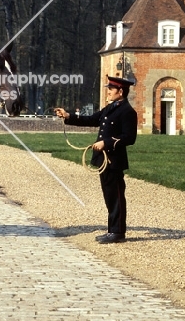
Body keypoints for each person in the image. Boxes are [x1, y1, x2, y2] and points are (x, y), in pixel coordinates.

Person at [55, 76, 138, 244]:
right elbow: (91, 119)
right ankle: (112, 230)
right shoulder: (110, 108)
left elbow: (129, 138)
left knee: (115, 196)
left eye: (111, 89)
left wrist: (106, 143)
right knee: (109, 195)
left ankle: (117, 232)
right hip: (103, 160)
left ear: (120, 92)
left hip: (114, 160)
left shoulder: (128, 111)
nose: (108, 91)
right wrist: (68, 116)